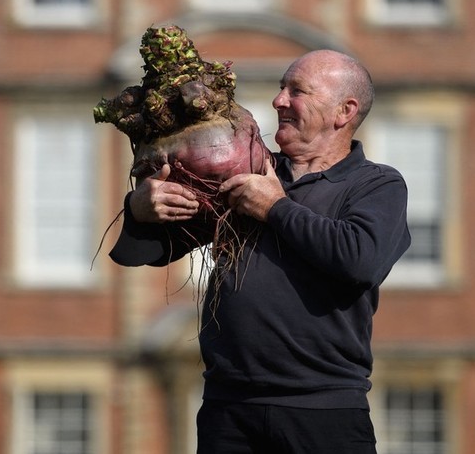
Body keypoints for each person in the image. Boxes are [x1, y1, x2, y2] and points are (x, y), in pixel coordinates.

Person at [109, 49, 411, 453]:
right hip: (228, 410)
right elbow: (142, 253)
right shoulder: (246, 171)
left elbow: (360, 260)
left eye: (297, 91)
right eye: (281, 88)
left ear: (344, 111)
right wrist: (140, 210)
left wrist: (275, 207)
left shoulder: (376, 185)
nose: (278, 100)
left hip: (322, 409)